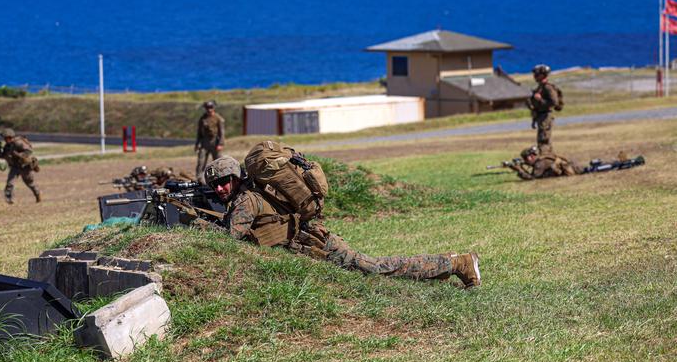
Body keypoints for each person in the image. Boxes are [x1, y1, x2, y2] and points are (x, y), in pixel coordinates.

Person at [197, 154, 481, 288]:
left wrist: (199, 225)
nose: (221, 188)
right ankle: (449, 264)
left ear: (236, 178)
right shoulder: (250, 193)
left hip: (316, 244)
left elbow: (229, 239)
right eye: (216, 186)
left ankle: (458, 263)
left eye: (225, 182)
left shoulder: (245, 200)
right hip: (312, 239)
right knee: (377, 271)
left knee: (378, 269)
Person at [510, 145, 644, 180]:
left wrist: (519, 171)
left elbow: (534, 177)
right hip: (572, 167)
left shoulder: (540, 163)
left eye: (527, 159)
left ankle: (628, 163)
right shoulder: (543, 158)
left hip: (573, 169)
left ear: (531, 157)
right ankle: (625, 163)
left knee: (594, 169)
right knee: (593, 167)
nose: (527, 161)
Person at [0, 128, 41, 204]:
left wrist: (19, 155)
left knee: (30, 183)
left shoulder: (18, 142)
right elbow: (3, 156)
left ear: (10, 137)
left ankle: (38, 195)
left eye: (6, 138)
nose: (4, 139)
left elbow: (29, 151)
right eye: (4, 138)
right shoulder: (7, 146)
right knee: (10, 183)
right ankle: (9, 200)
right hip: (15, 167)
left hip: (24, 166)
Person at [526, 64, 562, 149]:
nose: (534, 76)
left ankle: (546, 160)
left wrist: (540, 100)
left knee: (544, 141)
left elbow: (554, 102)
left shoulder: (547, 87)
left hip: (546, 116)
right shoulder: (540, 87)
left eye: (537, 74)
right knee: (541, 141)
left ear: (542, 75)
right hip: (541, 116)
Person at [195, 100, 225, 184]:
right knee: (201, 161)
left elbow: (222, 132)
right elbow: (199, 133)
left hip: (215, 142)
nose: (209, 109)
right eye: (207, 108)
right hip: (204, 142)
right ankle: (199, 179)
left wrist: (220, 144)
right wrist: (197, 144)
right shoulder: (202, 119)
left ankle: (220, 177)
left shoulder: (218, 118)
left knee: (218, 161)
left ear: (213, 108)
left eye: (211, 107)